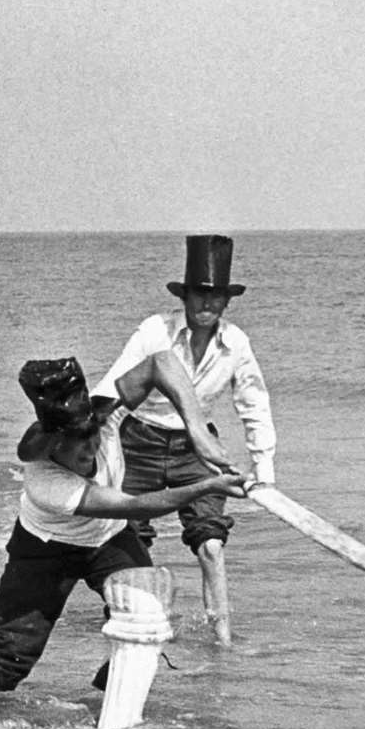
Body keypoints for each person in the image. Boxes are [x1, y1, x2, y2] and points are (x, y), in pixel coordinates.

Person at [0, 355, 243, 704]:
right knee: (4, 663)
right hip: (45, 550)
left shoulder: (107, 418)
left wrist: (196, 430)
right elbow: (132, 506)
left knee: (148, 617)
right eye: (81, 449)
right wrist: (205, 485)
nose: (93, 451)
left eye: (93, 438)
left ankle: (111, 697)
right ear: (55, 449)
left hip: (109, 536)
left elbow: (161, 363)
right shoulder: (46, 483)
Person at [91, 234, 277, 644]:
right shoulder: (154, 331)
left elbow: (254, 404)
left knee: (210, 543)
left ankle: (222, 641)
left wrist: (263, 470)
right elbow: (113, 388)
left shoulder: (236, 344)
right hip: (139, 440)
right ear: (185, 297)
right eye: (199, 295)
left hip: (197, 448)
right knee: (128, 542)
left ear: (227, 302)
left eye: (215, 298)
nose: (206, 305)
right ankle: (126, 631)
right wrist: (96, 445)